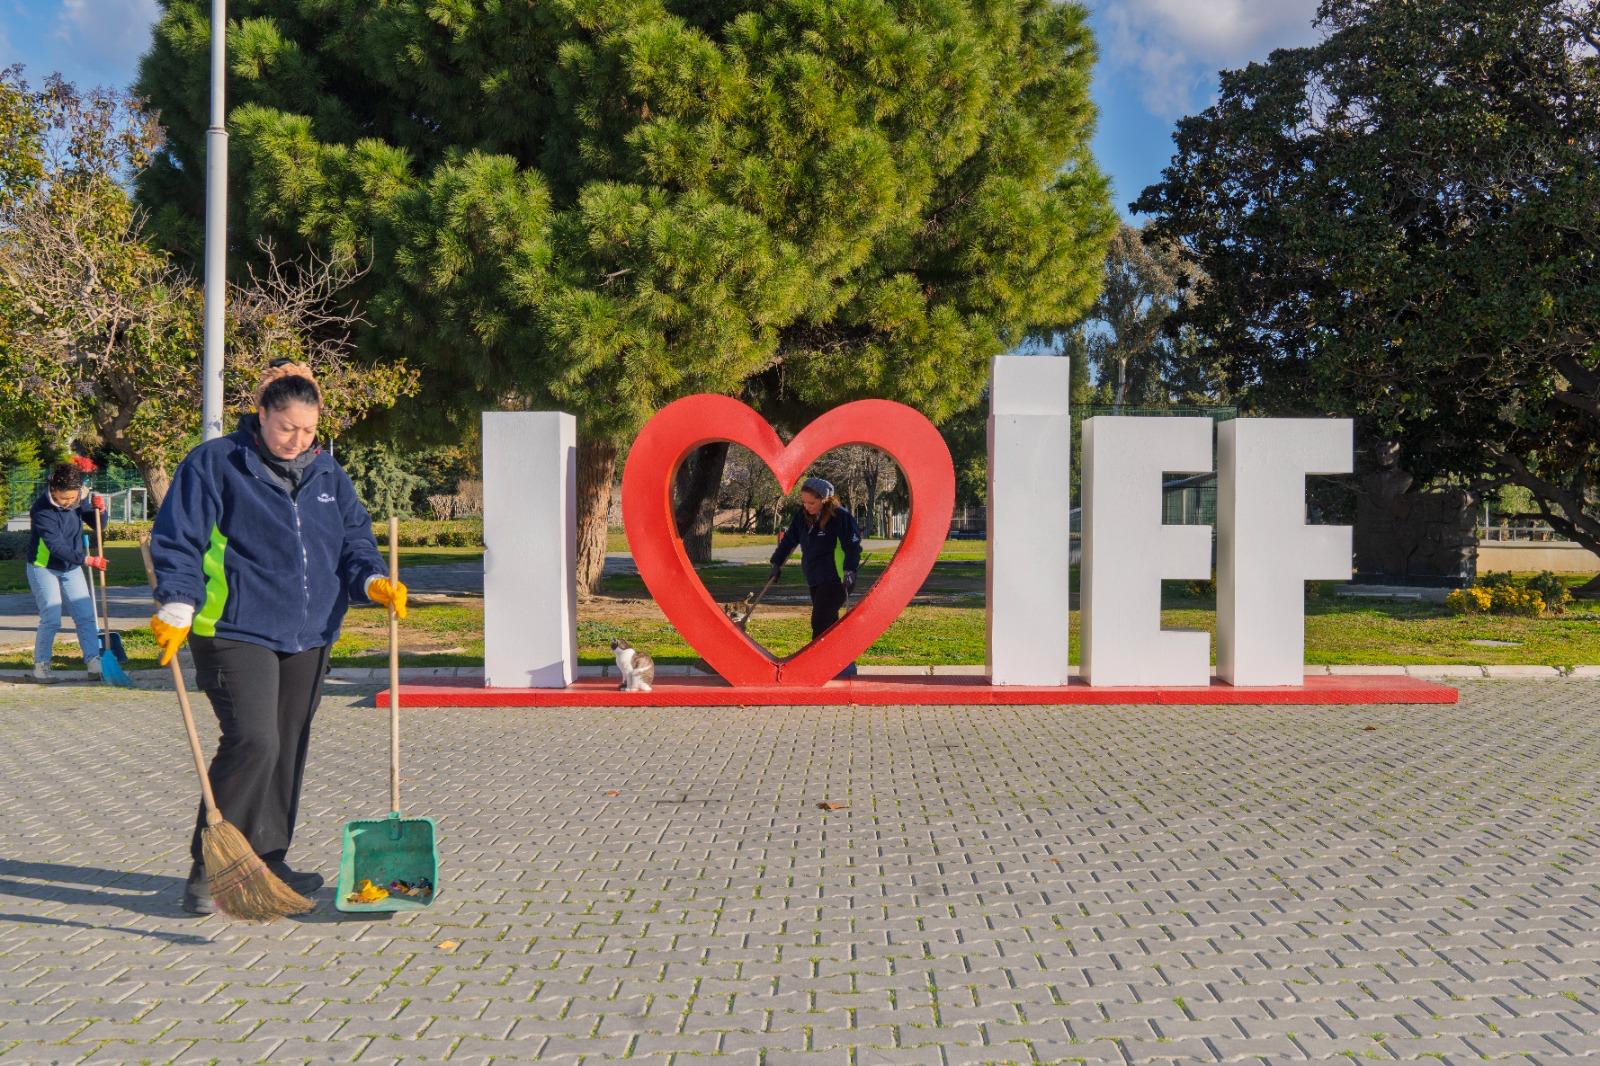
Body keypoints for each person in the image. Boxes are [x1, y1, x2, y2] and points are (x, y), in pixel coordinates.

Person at [149, 360, 409, 914]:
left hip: (309, 633)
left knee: (288, 742)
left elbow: (353, 542)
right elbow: (178, 540)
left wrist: (373, 580)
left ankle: (269, 855)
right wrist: (176, 603)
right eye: (287, 427)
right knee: (254, 739)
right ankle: (210, 864)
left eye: (309, 430)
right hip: (233, 627)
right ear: (261, 414)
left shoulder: (327, 474)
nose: (297, 440)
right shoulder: (216, 465)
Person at [25, 463, 107, 683]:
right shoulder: (41, 510)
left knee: (85, 616)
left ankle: (94, 663)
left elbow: (99, 525)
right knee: (51, 617)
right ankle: (41, 667)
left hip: (70, 567)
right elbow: (56, 546)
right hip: (43, 567)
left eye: (73, 498)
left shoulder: (78, 500)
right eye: (64, 499)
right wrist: (87, 559)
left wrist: (101, 510)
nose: (69, 503)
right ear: (53, 489)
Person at [769, 477, 863, 662]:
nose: (807, 506)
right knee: (829, 622)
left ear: (825, 499)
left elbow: (853, 547)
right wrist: (776, 563)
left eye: (811, 502)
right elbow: (789, 541)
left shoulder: (840, 517)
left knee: (820, 621)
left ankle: (816, 664)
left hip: (837, 578)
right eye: (804, 502)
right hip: (815, 577)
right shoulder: (802, 517)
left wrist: (850, 570)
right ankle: (839, 663)